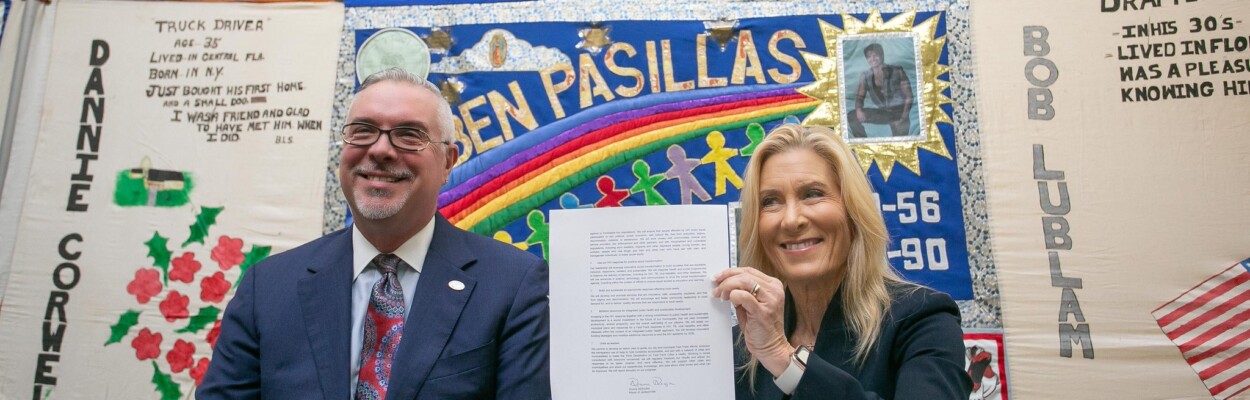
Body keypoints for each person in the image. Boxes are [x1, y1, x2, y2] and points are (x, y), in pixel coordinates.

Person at [198, 68, 551, 399]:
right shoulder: (268, 287)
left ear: (447, 162)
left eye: (409, 135)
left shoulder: (512, 285)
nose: (380, 150)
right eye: (363, 130)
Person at [713, 123, 970, 399]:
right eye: (770, 201)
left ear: (853, 211)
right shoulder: (740, 346)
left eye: (812, 194)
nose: (791, 219)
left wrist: (785, 360)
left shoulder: (923, 321)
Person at [846, 43, 914, 138]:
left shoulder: (897, 71)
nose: (872, 59)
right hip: (883, 113)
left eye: (875, 55)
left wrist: (903, 118)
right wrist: (858, 110)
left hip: (900, 114)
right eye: (869, 57)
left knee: (900, 143)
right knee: (852, 116)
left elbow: (909, 97)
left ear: (881, 55)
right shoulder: (865, 76)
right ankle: (863, 143)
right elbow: (860, 97)